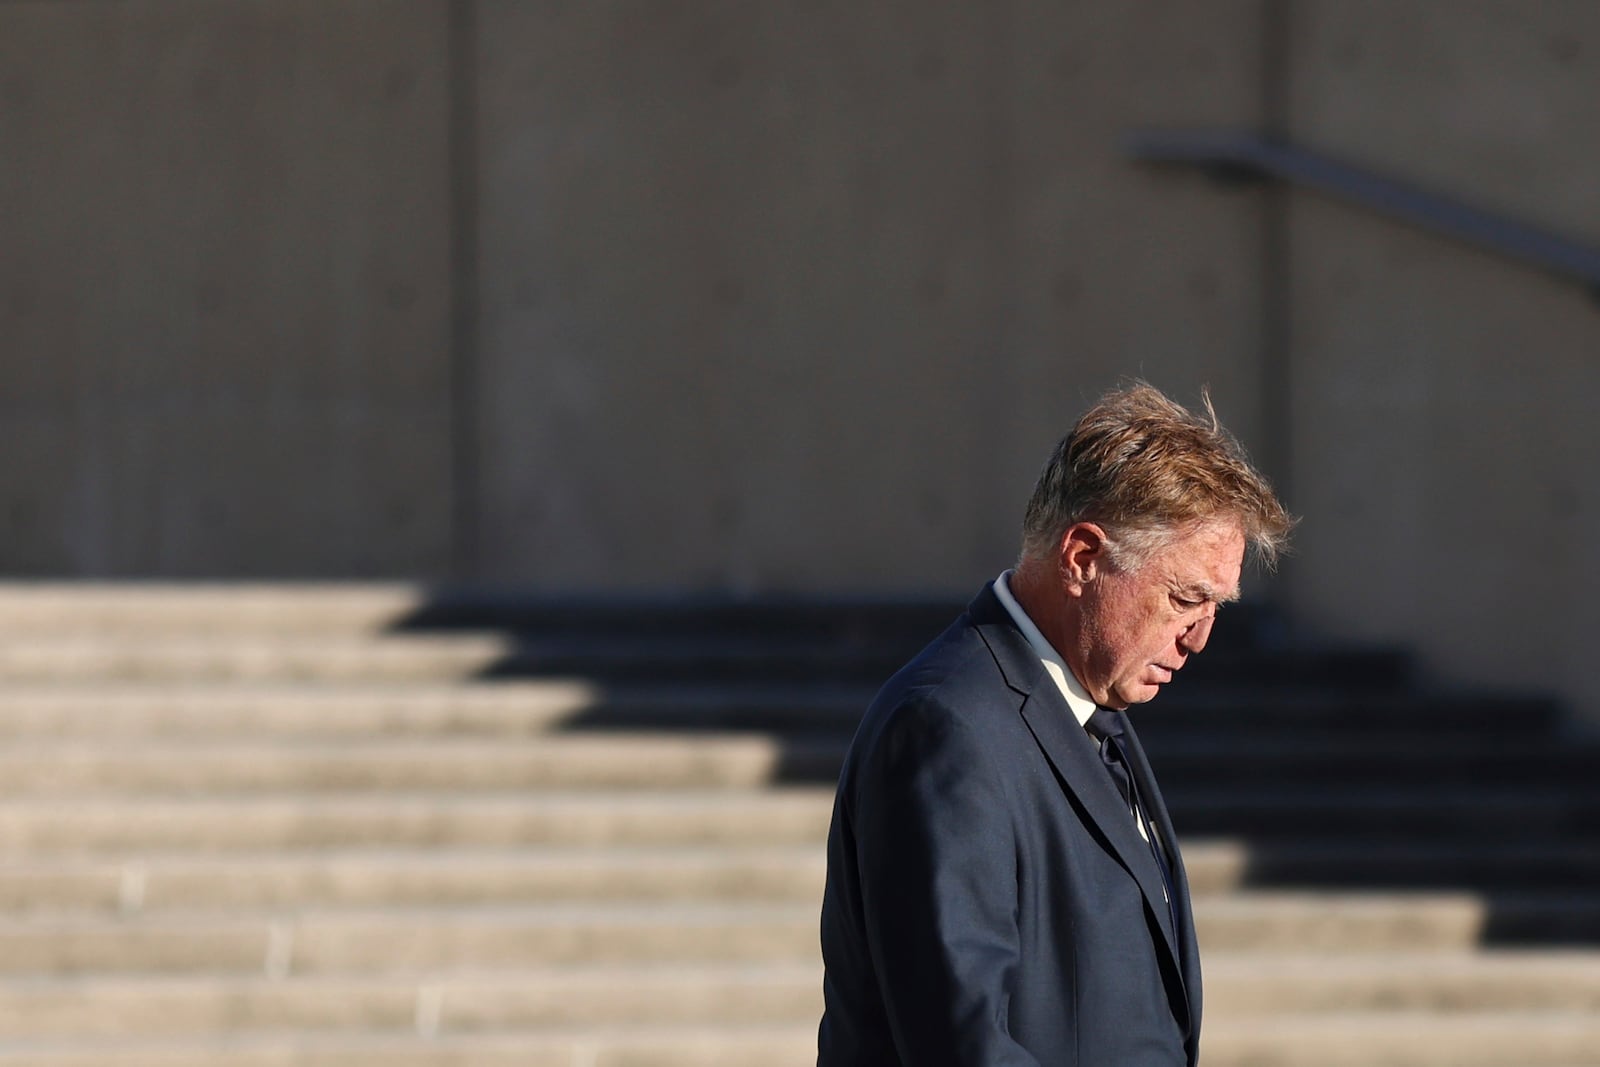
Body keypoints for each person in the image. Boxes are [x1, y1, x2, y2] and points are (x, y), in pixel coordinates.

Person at [817, 382, 1294, 1066]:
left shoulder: (1094, 711)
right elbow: (963, 1044)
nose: (1199, 640)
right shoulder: (946, 727)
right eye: (1186, 598)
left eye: (1218, 606)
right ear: (1081, 557)